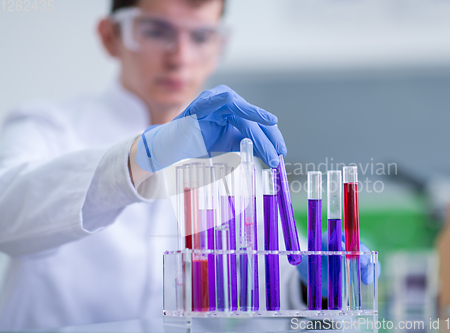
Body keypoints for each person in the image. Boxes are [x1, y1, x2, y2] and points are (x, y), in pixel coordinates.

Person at [0, 0, 288, 330]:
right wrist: (140, 157)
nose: (180, 57)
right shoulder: (46, 125)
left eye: (201, 36)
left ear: (219, 46)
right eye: (155, 31)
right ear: (110, 36)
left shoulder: (235, 153)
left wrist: (309, 285)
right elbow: (4, 216)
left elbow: (260, 279)